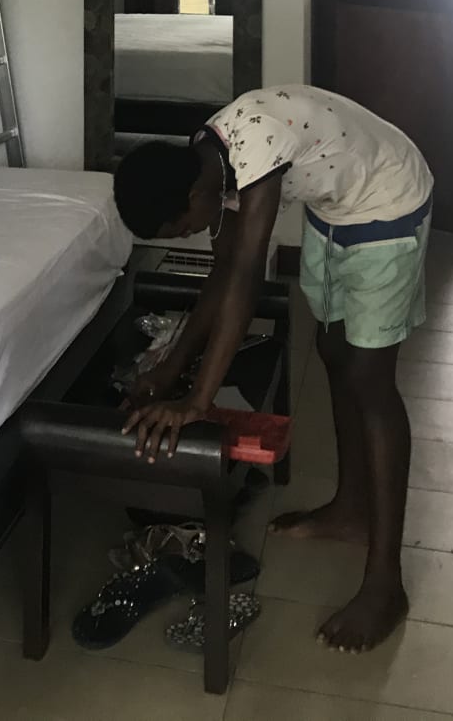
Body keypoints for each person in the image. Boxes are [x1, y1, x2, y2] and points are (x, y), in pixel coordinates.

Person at [112, 85, 433, 654]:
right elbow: (221, 274)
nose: (187, 235)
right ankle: (351, 509)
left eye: (180, 228)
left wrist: (197, 402)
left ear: (194, 195)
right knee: (334, 351)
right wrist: (169, 369)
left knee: (370, 380)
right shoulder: (209, 156)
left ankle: (386, 582)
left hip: (388, 199)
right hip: (335, 209)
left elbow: (245, 279)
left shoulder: (253, 159)